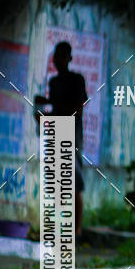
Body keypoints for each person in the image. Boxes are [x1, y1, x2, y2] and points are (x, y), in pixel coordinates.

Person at [48, 42, 88, 238]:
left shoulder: (76, 80)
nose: (58, 60)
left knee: (75, 182)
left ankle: (77, 230)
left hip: (72, 135)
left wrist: (52, 105)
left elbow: (77, 108)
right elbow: (56, 111)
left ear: (69, 58)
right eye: (56, 56)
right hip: (57, 133)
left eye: (62, 56)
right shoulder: (54, 83)